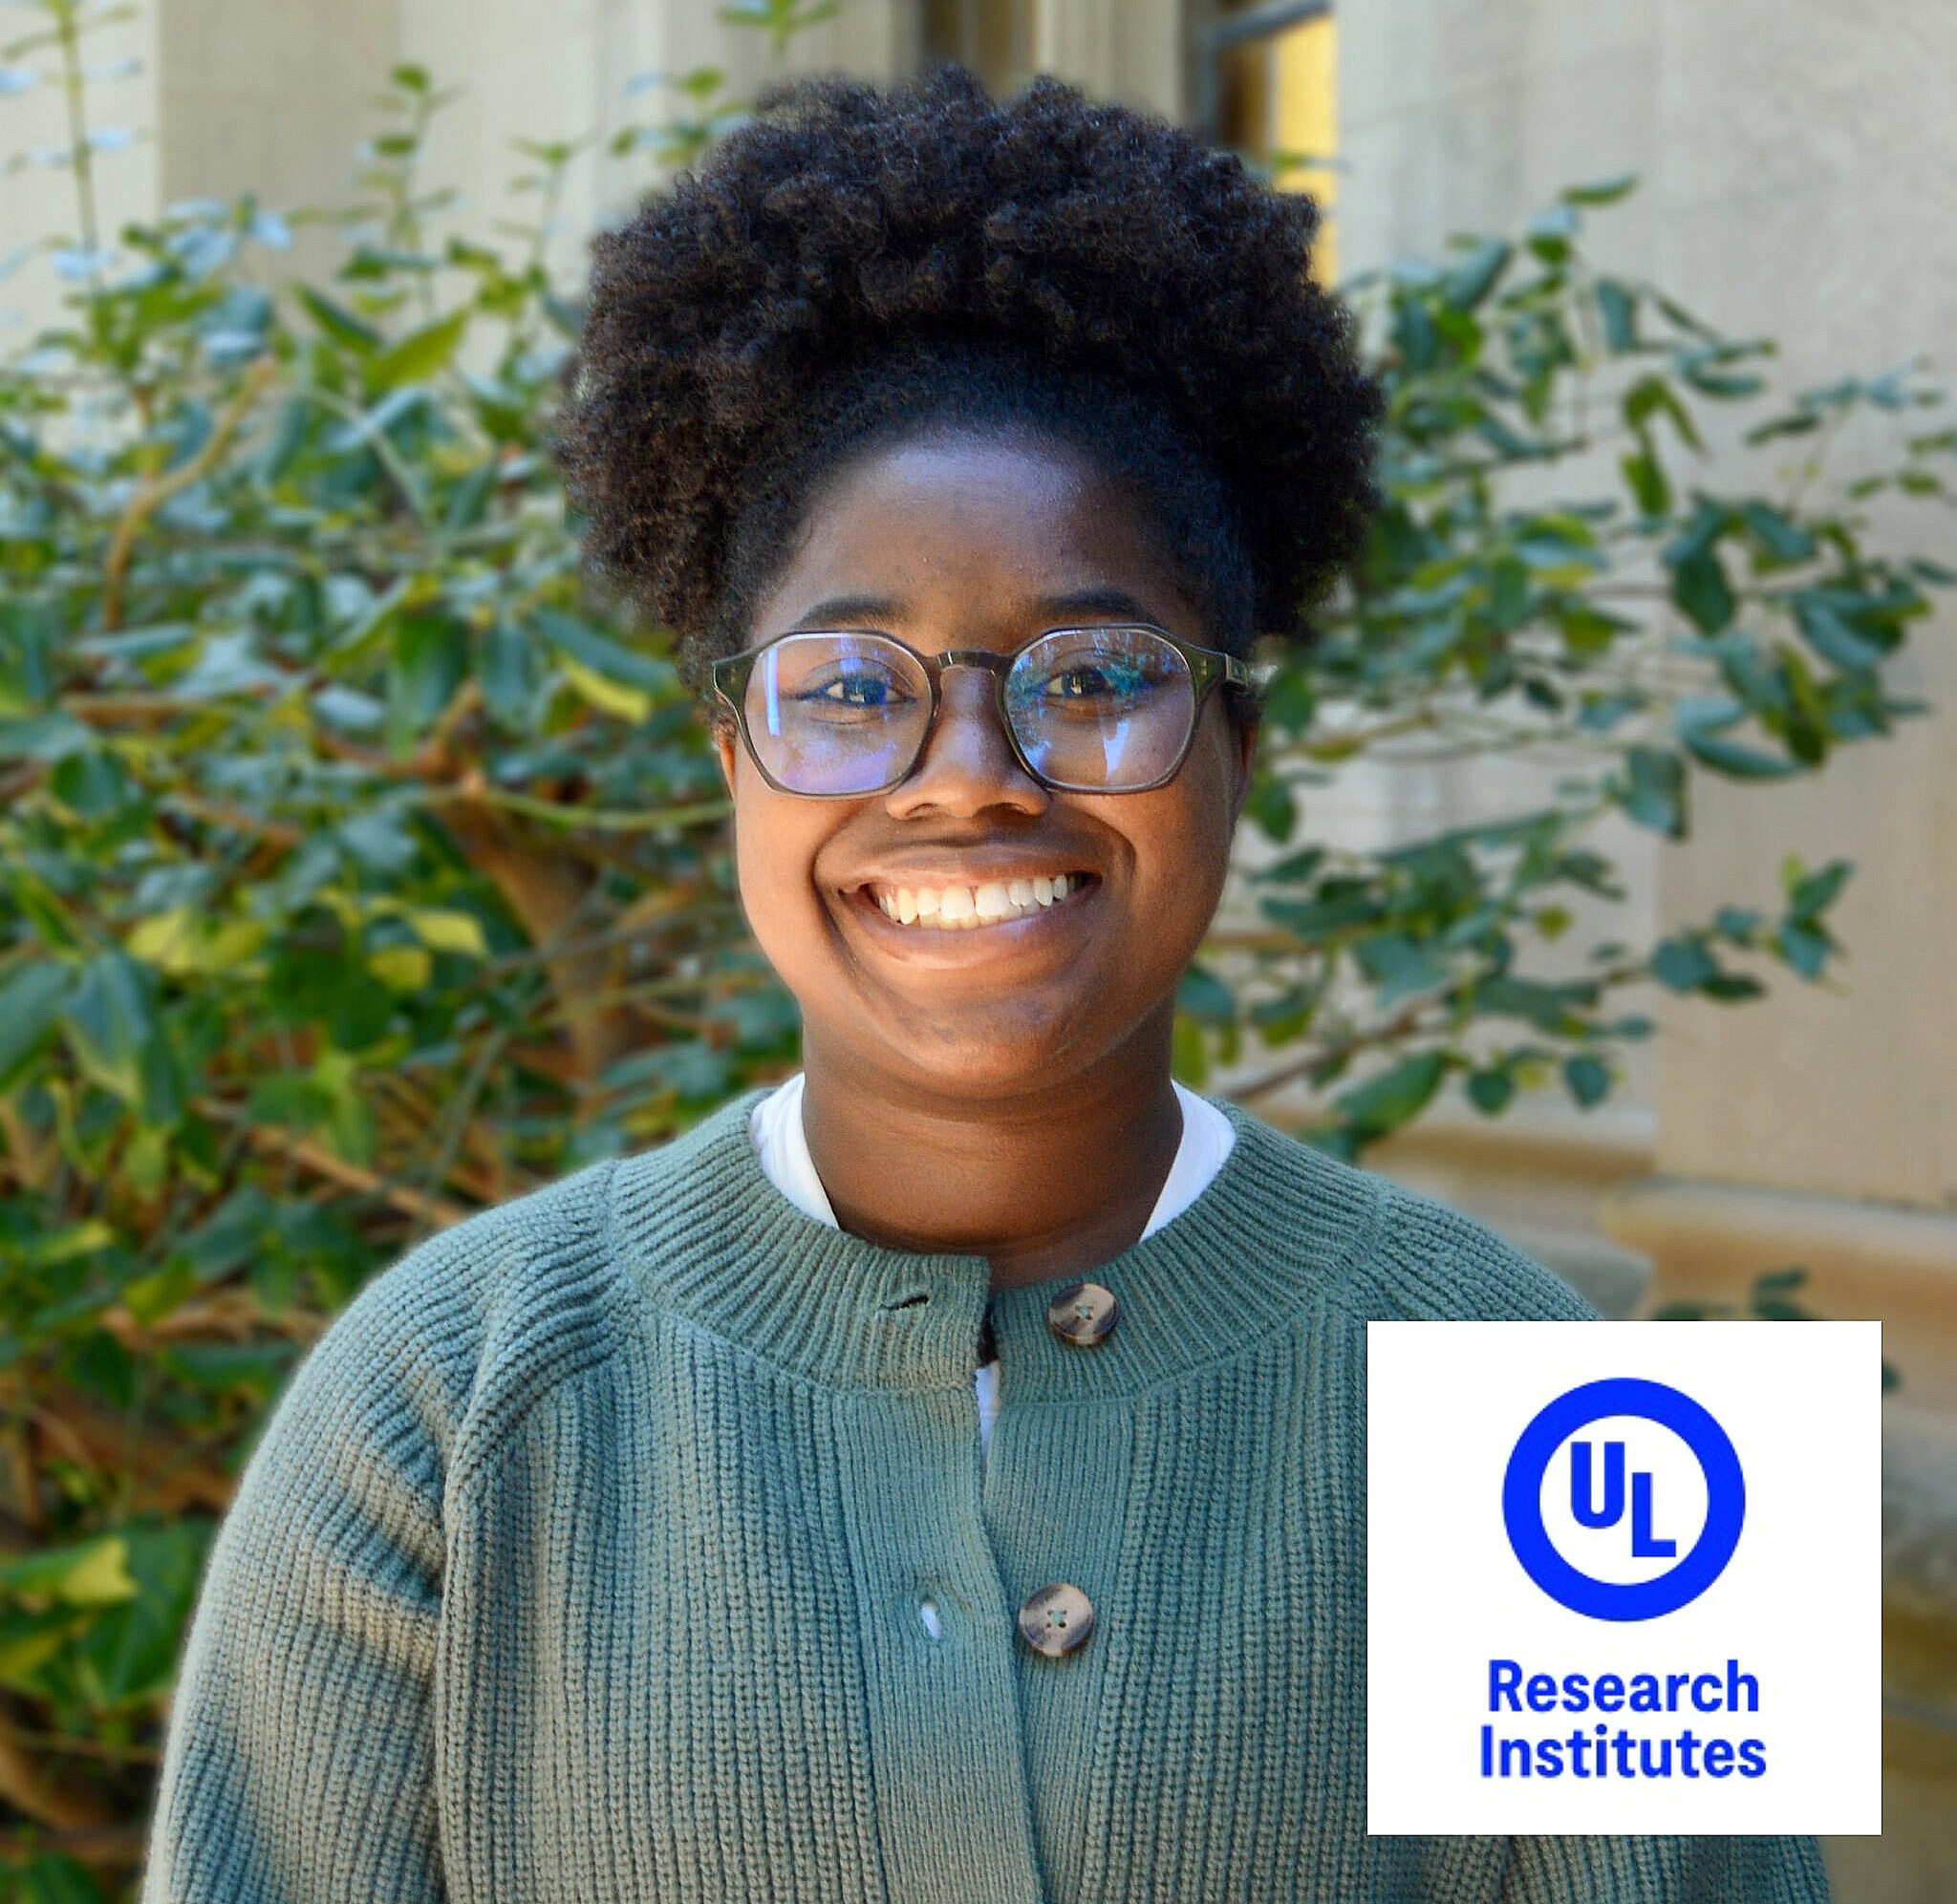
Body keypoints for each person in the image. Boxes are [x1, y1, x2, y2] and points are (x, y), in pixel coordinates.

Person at [140, 66, 1829, 1904]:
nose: (967, 774)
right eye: (851, 688)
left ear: (1235, 750)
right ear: (734, 761)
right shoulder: (442, 1405)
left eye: (1096, 674)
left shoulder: (1573, 1418)